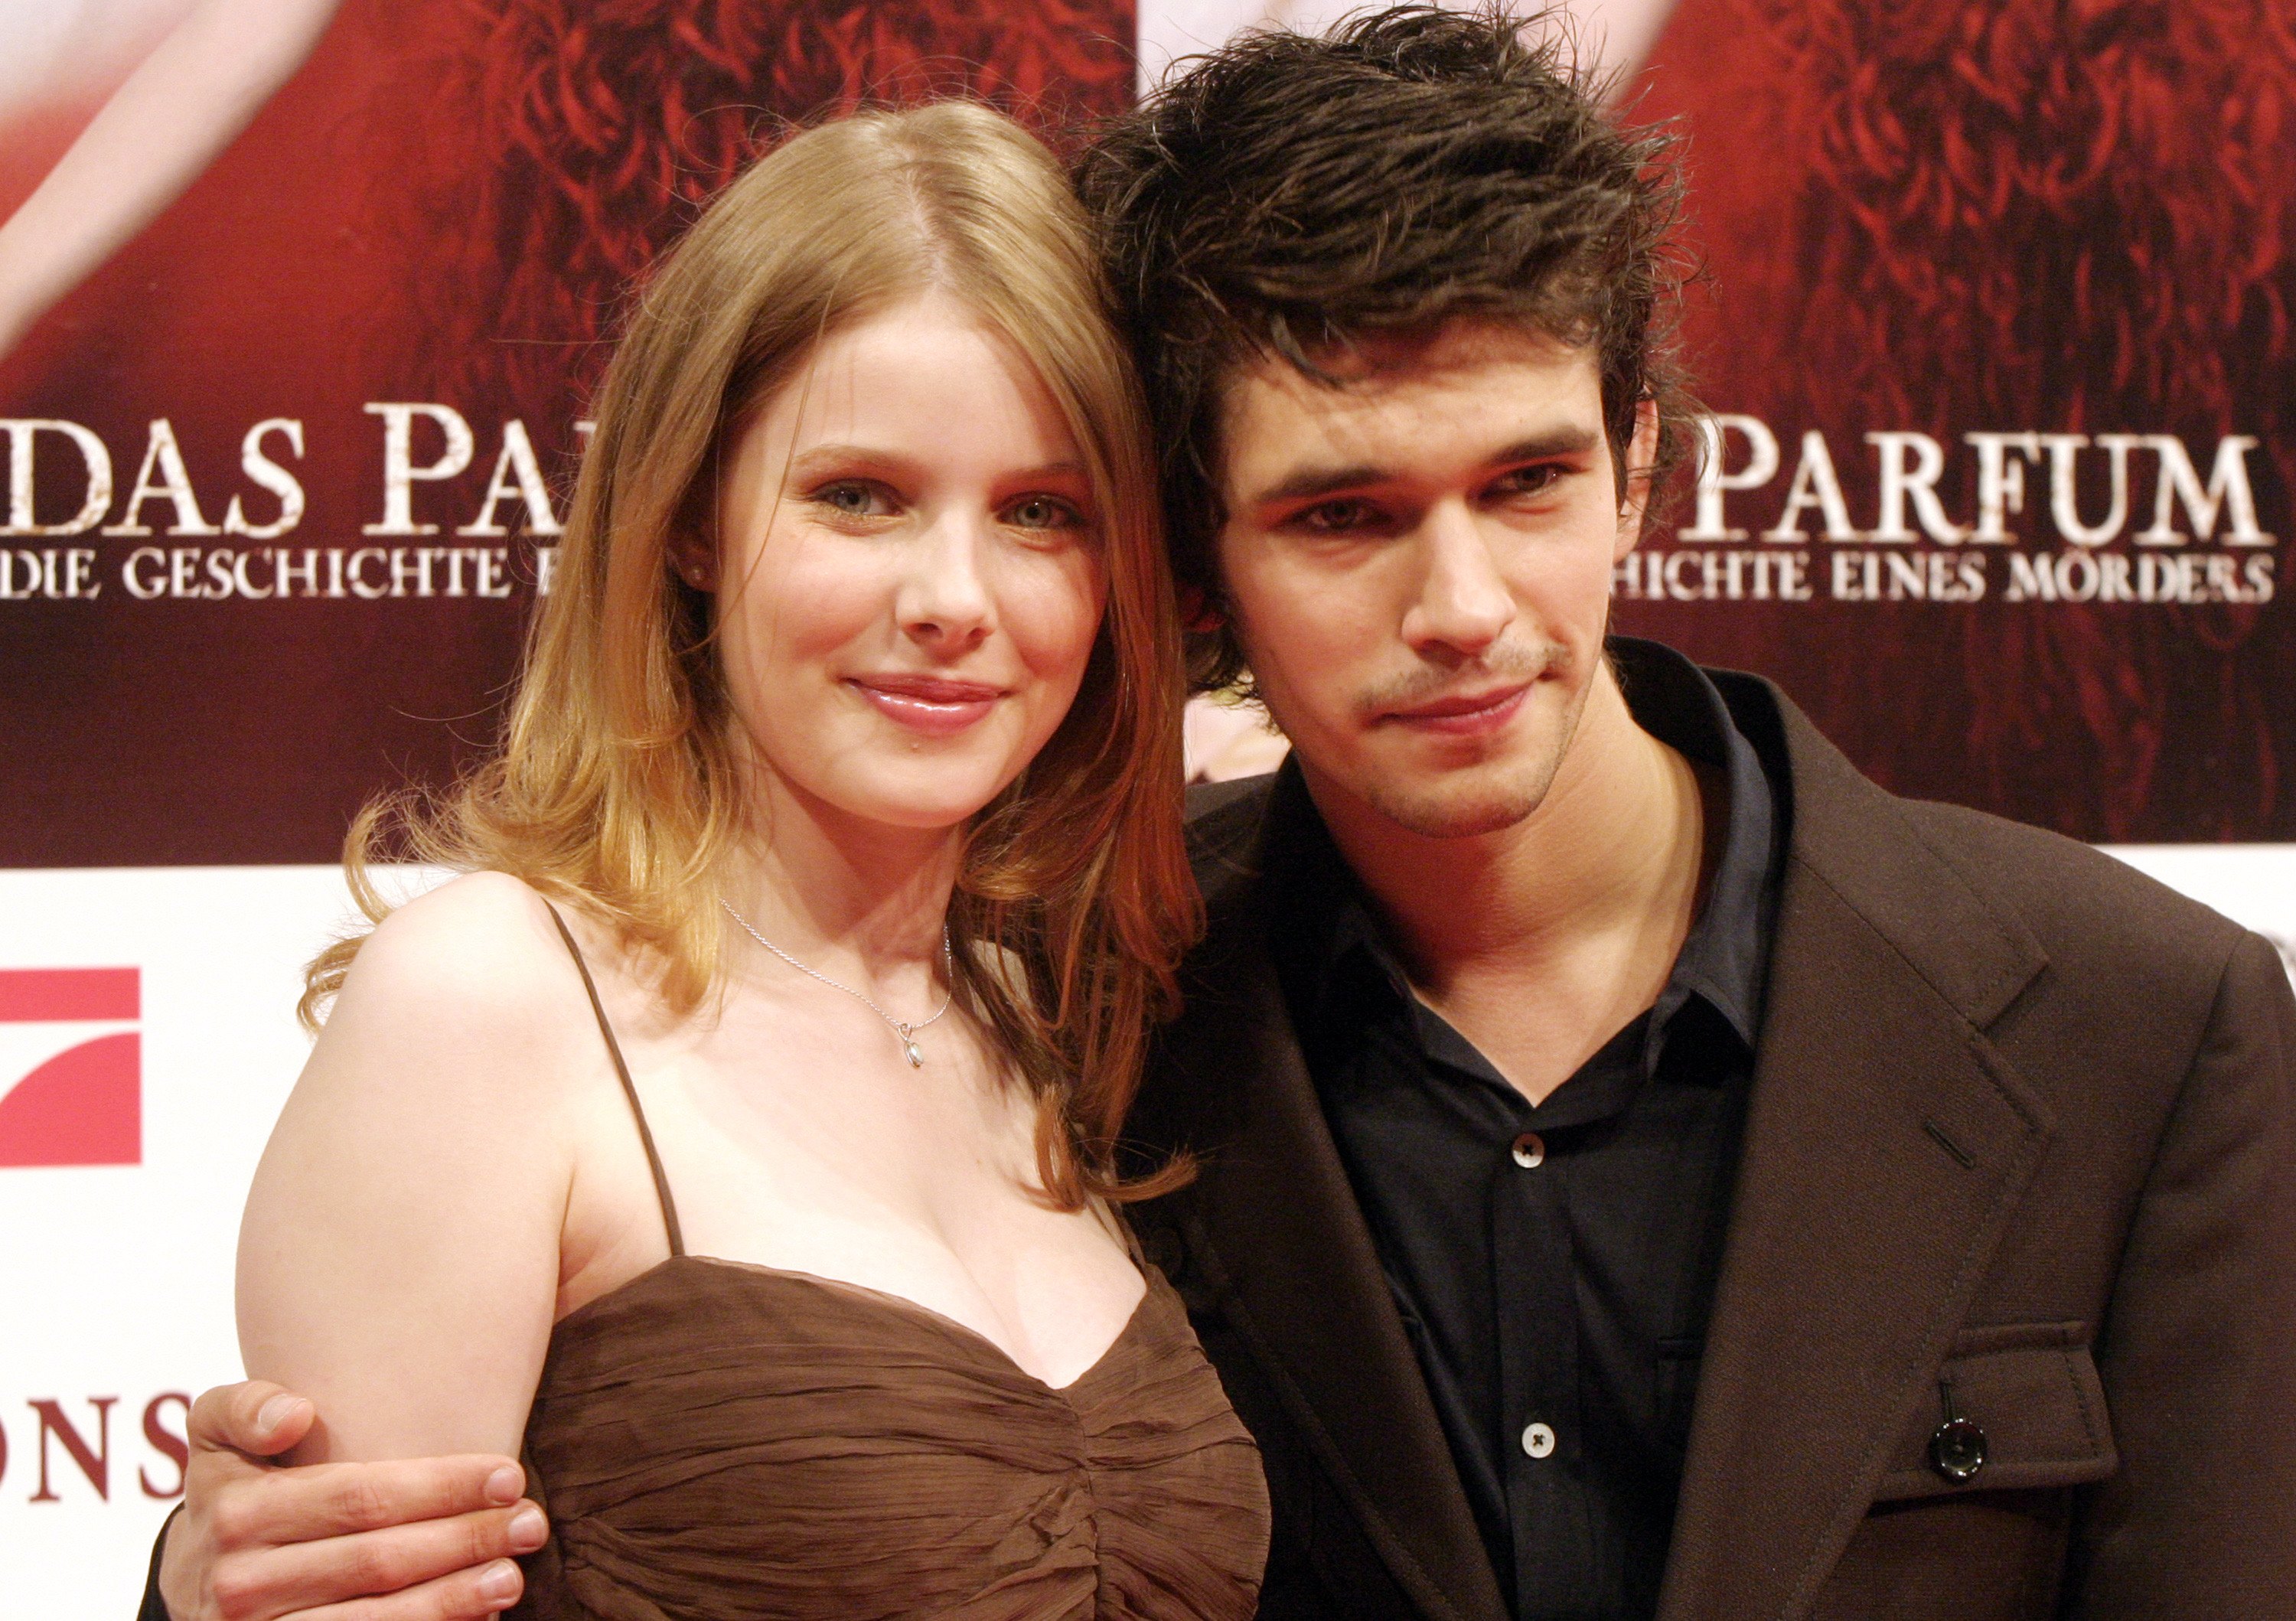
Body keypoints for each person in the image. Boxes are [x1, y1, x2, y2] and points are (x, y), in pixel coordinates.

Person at [144, 8, 2296, 1620]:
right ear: (1203, 562)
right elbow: (415, 1528)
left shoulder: (2143, 1026)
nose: (1462, 608)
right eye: (1344, 514)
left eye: (1530, 482)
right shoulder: (1133, 1004)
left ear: (1642, 459)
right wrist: (205, 1577)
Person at [142, 98, 1268, 1621]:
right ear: (688, 516)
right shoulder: (489, 1004)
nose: (954, 596)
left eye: (1040, 513)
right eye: (858, 496)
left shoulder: (1058, 1017)